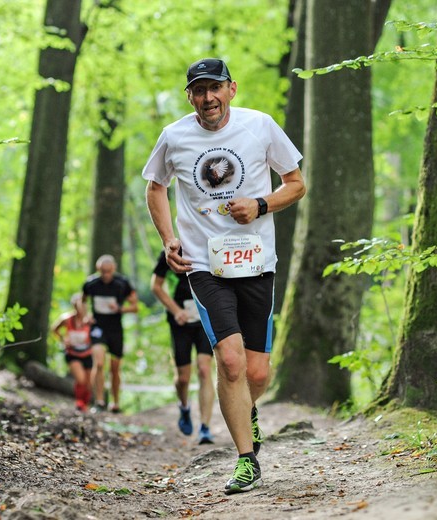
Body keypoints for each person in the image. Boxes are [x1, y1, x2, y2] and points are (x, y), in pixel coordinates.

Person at [143, 58, 306, 495]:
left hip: (255, 262)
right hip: (202, 264)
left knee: (256, 373)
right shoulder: (174, 136)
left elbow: (296, 183)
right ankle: (246, 460)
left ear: (232, 89)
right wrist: (168, 238)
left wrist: (261, 204)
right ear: (189, 96)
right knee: (230, 361)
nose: (207, 98)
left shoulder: (260, 126)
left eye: (215, 88)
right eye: (198, 91)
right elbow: (155, 186)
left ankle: (246, 410)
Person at [151, 250, 215, 445]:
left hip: (206, 317)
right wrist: (176, 310)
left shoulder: (210, 246)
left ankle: (205, 428)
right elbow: (156, 286)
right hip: (180, 320)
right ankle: (184, 407)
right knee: (183, 378)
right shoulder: (170, 253)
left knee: (204, 369)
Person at [80, 254, 138, 413]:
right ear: (98, 270)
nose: (105, 275)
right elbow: (82, 300)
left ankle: (115, 402)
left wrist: (120, 309)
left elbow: (135, 306)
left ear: (114, 269)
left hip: (115, 329)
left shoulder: (122, 283)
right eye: (102, 271)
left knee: (115, 368)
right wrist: (86, 315)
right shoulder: (91, 283)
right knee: (98, 363)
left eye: (108, 271)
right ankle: (98, 401)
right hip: (98, 327)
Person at [52, 294, 94, 412]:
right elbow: (54, 329)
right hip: (72, 353)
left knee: (89, 383)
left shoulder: (90, 320)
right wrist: (63, 340)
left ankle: (85, 404)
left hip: (87, 353)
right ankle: (79, 403)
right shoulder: (67, 319)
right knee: (81, 379)